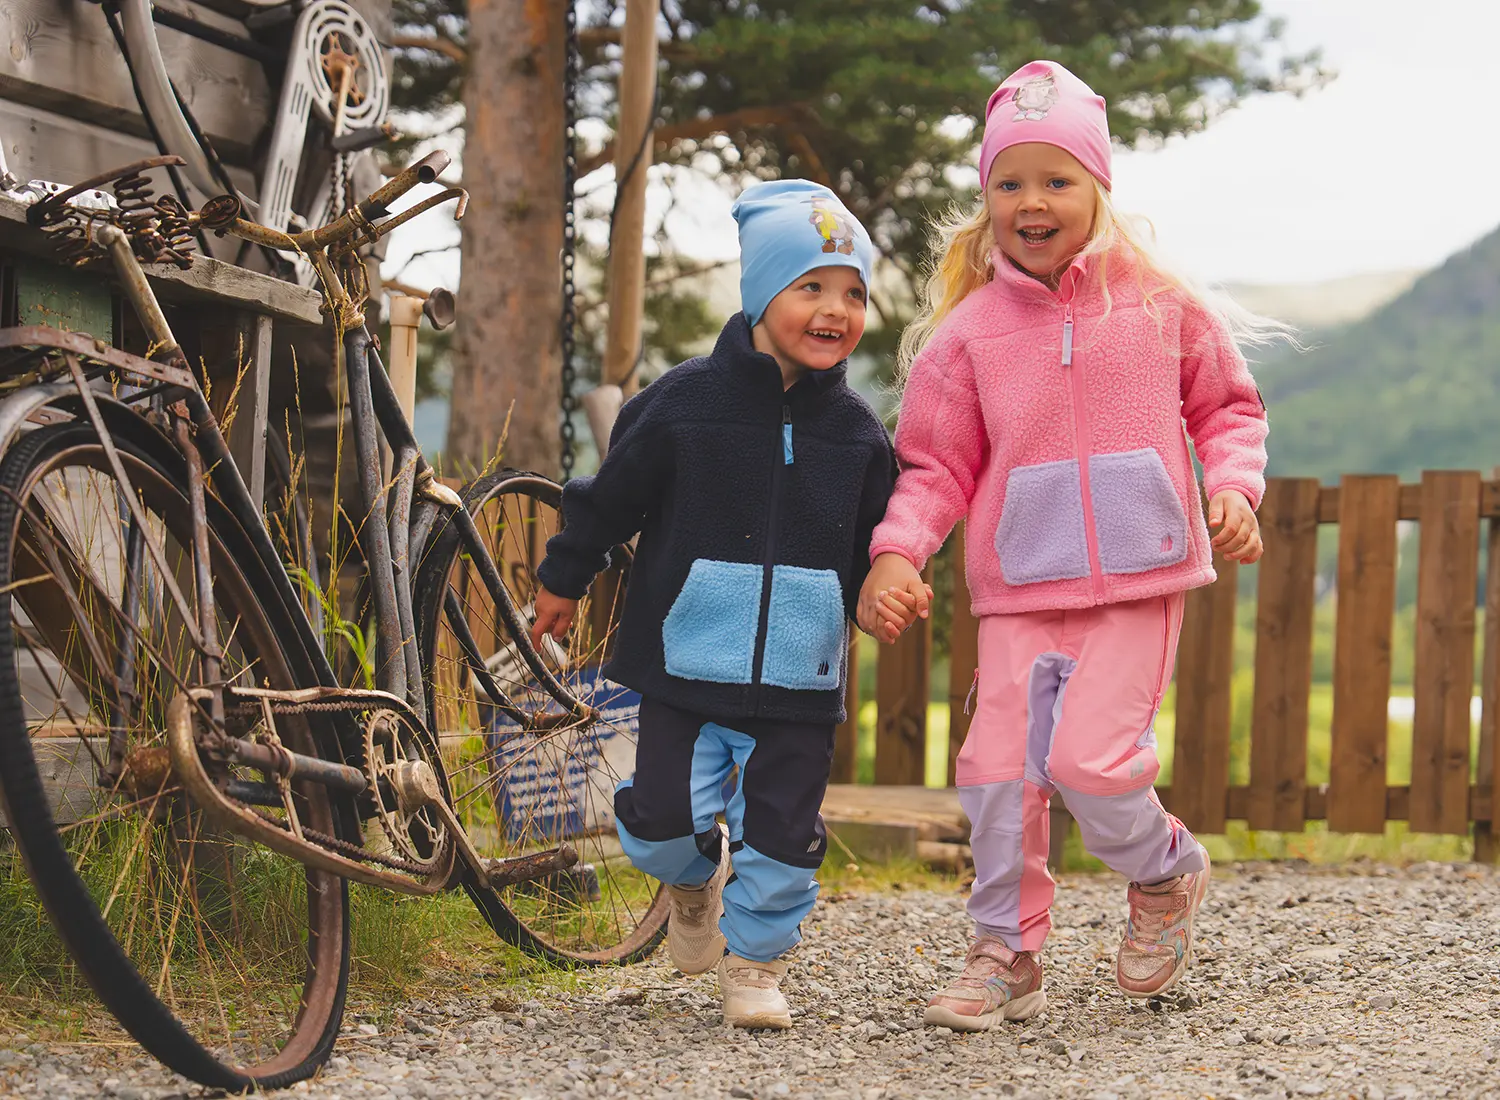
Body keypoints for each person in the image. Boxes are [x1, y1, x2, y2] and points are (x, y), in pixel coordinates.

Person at [858, 59, 1281, 1031]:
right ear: (986, 197)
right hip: (1019, 588)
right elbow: (931, 466)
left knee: (1093, 763)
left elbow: (1228, 408)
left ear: (1099, 189)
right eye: (1010, 183)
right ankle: (1005, 950)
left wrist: (1233, 487)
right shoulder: (968, 336)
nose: (1032, 201)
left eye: (1057, 181)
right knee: (998, 771)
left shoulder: (1160, 305)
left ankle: (1166, 872)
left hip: (1139, 578)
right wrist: (897, 551)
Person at [530, 179, 896, 1029]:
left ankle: (757, 965)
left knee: (783, 839)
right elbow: (608, 496)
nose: (836, 309)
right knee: (661, 821)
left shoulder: (859, 435)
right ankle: (691, 886)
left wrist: (889, 580)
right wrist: (564, 576)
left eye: (854, 292)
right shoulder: (683, 404)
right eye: (812, 286)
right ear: (763, 293)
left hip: (800, 685)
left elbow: (884, 541)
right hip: (683, 669)